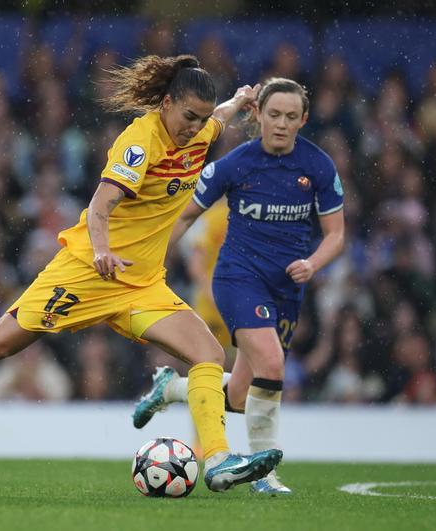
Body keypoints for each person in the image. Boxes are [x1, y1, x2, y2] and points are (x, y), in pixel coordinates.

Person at [0, 55, 282, 492]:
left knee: (210, 354)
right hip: (89, 271)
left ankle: (217, 459)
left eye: (201, 118)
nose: (194, 126)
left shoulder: (202, 127)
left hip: (141, 285)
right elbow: (102, 205)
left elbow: (218, 117)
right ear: (166, 103)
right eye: (187, 116)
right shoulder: (139, 142)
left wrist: (240, 100)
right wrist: (103, 252)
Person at [133, 77, 345, 495]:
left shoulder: (318, 166)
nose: (280, 124)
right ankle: (264, 475)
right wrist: (148, 257)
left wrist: (312, 263)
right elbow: (185, 216)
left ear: (303, 119)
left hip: (287, 288)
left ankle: (171, 388)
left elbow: (336, 235)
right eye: (273, 115)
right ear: (258, 115)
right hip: (237, 279)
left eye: (290, 117)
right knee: (272, 364)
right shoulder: (235, 164)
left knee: (242, 393)